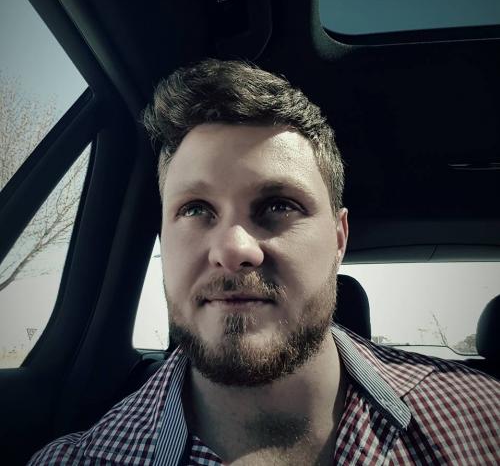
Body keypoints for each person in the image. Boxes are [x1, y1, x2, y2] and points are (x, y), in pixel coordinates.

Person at [29, 59, 499, 465]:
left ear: (339, 239)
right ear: (163, 240)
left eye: (278, 205)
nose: (233, 249)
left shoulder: (484, 420)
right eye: (195, 209)